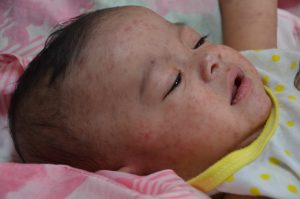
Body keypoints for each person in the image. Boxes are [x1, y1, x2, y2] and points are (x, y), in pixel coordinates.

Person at [8, 0, 300, 198]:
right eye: (173, 82)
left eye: (197, 41)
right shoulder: (257, 185)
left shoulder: (252, 70)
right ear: (143, 175)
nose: (210, 57)